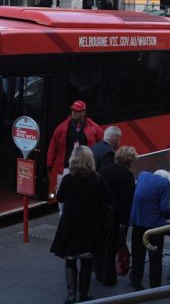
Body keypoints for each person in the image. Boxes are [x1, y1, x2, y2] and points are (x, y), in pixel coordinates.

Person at [50, 145, 110, 303]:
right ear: (90, 160)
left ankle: (71, 295)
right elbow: (106, 199)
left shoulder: (68, 179)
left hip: (70, 226)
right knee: (86, 262)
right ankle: (84, 295)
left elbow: (60, 198)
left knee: (70, 260)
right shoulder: (97, 178)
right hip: (90, 227)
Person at [129, 170, 170, 290]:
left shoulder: (142, 175)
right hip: (153, 226)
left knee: (137, 253)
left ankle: (136, 281)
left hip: (137, 221)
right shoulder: (165, 183)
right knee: (155, 255)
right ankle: (155, 284)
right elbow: (164, 208)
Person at [94, 145, 137, 286]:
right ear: (129, 161)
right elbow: (126, 201)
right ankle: (109, 277)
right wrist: (124, 222)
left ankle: (99, 273)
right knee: (111, 247)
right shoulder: (128, 176)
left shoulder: (105, 169)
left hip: (100, 213)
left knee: (100, 244)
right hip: (115, 217)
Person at [47, 100, 104, 195]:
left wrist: (99, 163)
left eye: (77, 111)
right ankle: (62, 211)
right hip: (66, 167)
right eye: (73, 110)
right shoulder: (62, 128)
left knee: (82, 194)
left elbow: (102, 144)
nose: (74, 112)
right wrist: (49, 165)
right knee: (62, 195)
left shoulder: (93, 128)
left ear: (83, 112)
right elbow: (53, 147)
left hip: (85, 168)